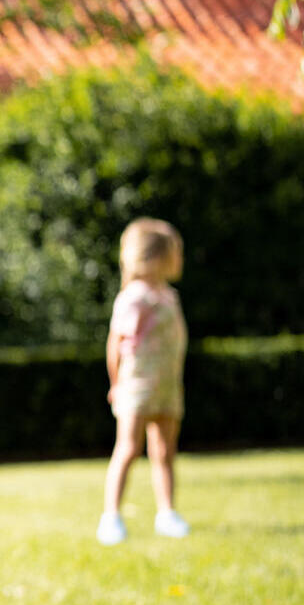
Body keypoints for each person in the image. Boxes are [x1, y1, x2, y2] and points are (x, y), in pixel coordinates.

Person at [98, 217, 190, 545]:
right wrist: (116, 383)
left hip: (167, 387)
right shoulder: (134, 297)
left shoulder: (169, 297)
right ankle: (111, 516)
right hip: (137, 386)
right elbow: (116, 344)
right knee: (128, 448)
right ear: (155, 257)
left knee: (164, 451)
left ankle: (166, 512)